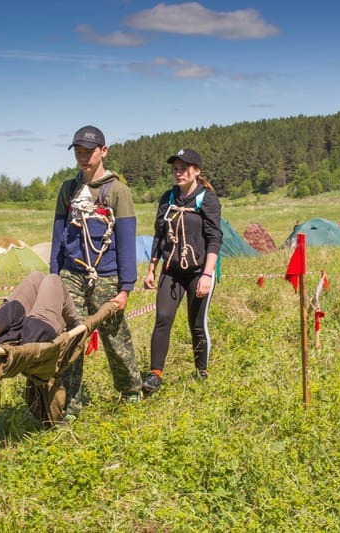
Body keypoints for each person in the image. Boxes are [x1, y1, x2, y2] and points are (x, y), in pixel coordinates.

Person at [49, 125, 142, 421]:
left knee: (114, 335)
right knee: (71, 337)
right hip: (71, 274)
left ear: (103, 151)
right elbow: (57, 235)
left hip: (107, 276)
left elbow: (127, 240)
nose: (83, 157)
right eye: (78, 152)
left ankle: (130, 389)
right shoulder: (68, 189)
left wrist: (126, 287)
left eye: (89, 151)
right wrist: (54, 276)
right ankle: (70, 404)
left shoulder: (117, 191)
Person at [141, 148, 222, 395]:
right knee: (163, 319)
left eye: (183, 169)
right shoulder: (167, 199)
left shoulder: (206, 199)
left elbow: (214, 238)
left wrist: (207, 275)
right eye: (175, 169)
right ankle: (155, 375)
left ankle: (202, 372)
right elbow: (159, 235)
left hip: (199, 271)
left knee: (196, 324)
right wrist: (151, 269)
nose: (178, 173)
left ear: (196, 170)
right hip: (172, 271)